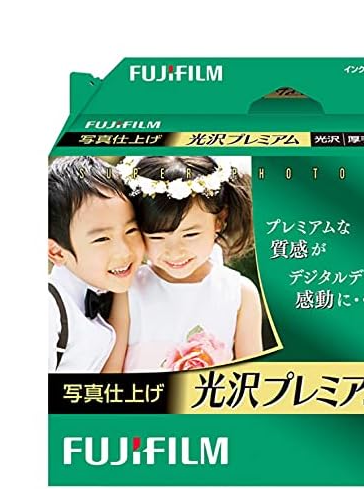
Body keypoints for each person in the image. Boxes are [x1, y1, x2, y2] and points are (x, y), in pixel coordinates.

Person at [111, 155, 263, 372]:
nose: (175, 251)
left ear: (219, 220)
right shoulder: (129, 288)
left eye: (190, 234)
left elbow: (252, 377)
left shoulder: (239, 293)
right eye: (157, 237)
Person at [48, 157, 144, 372]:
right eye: (102, 239)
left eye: (131, 230)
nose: (124, 251)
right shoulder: (49, 309)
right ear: (56, 252)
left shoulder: (115, 291)